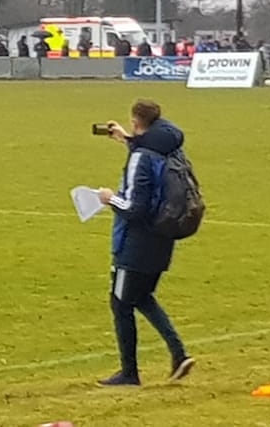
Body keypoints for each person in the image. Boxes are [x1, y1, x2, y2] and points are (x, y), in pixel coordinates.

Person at [95, 100, 195, 387]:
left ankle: (130, 372)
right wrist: (127, 139)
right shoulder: (170, 147)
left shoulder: (142, 155)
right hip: (163, 235)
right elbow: (151, 164)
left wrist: (108, 198)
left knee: (121, 301)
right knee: (141, 296)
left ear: (137, 122)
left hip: (136, 241)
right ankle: (178, 354)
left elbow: (135, 208)